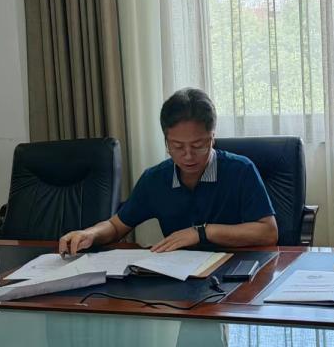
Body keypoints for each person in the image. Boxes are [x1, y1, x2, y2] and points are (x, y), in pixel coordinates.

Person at [59, 88, 278, 254]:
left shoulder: (240, 170)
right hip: (180, 280)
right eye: (177, 146)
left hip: (234, 274)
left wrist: (201, 232)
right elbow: (116, 226)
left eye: (198, 145)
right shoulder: (155, 179)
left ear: (213, 138)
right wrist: (89, 233)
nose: (188, 155)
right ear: (166, 142)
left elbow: (268, 232)